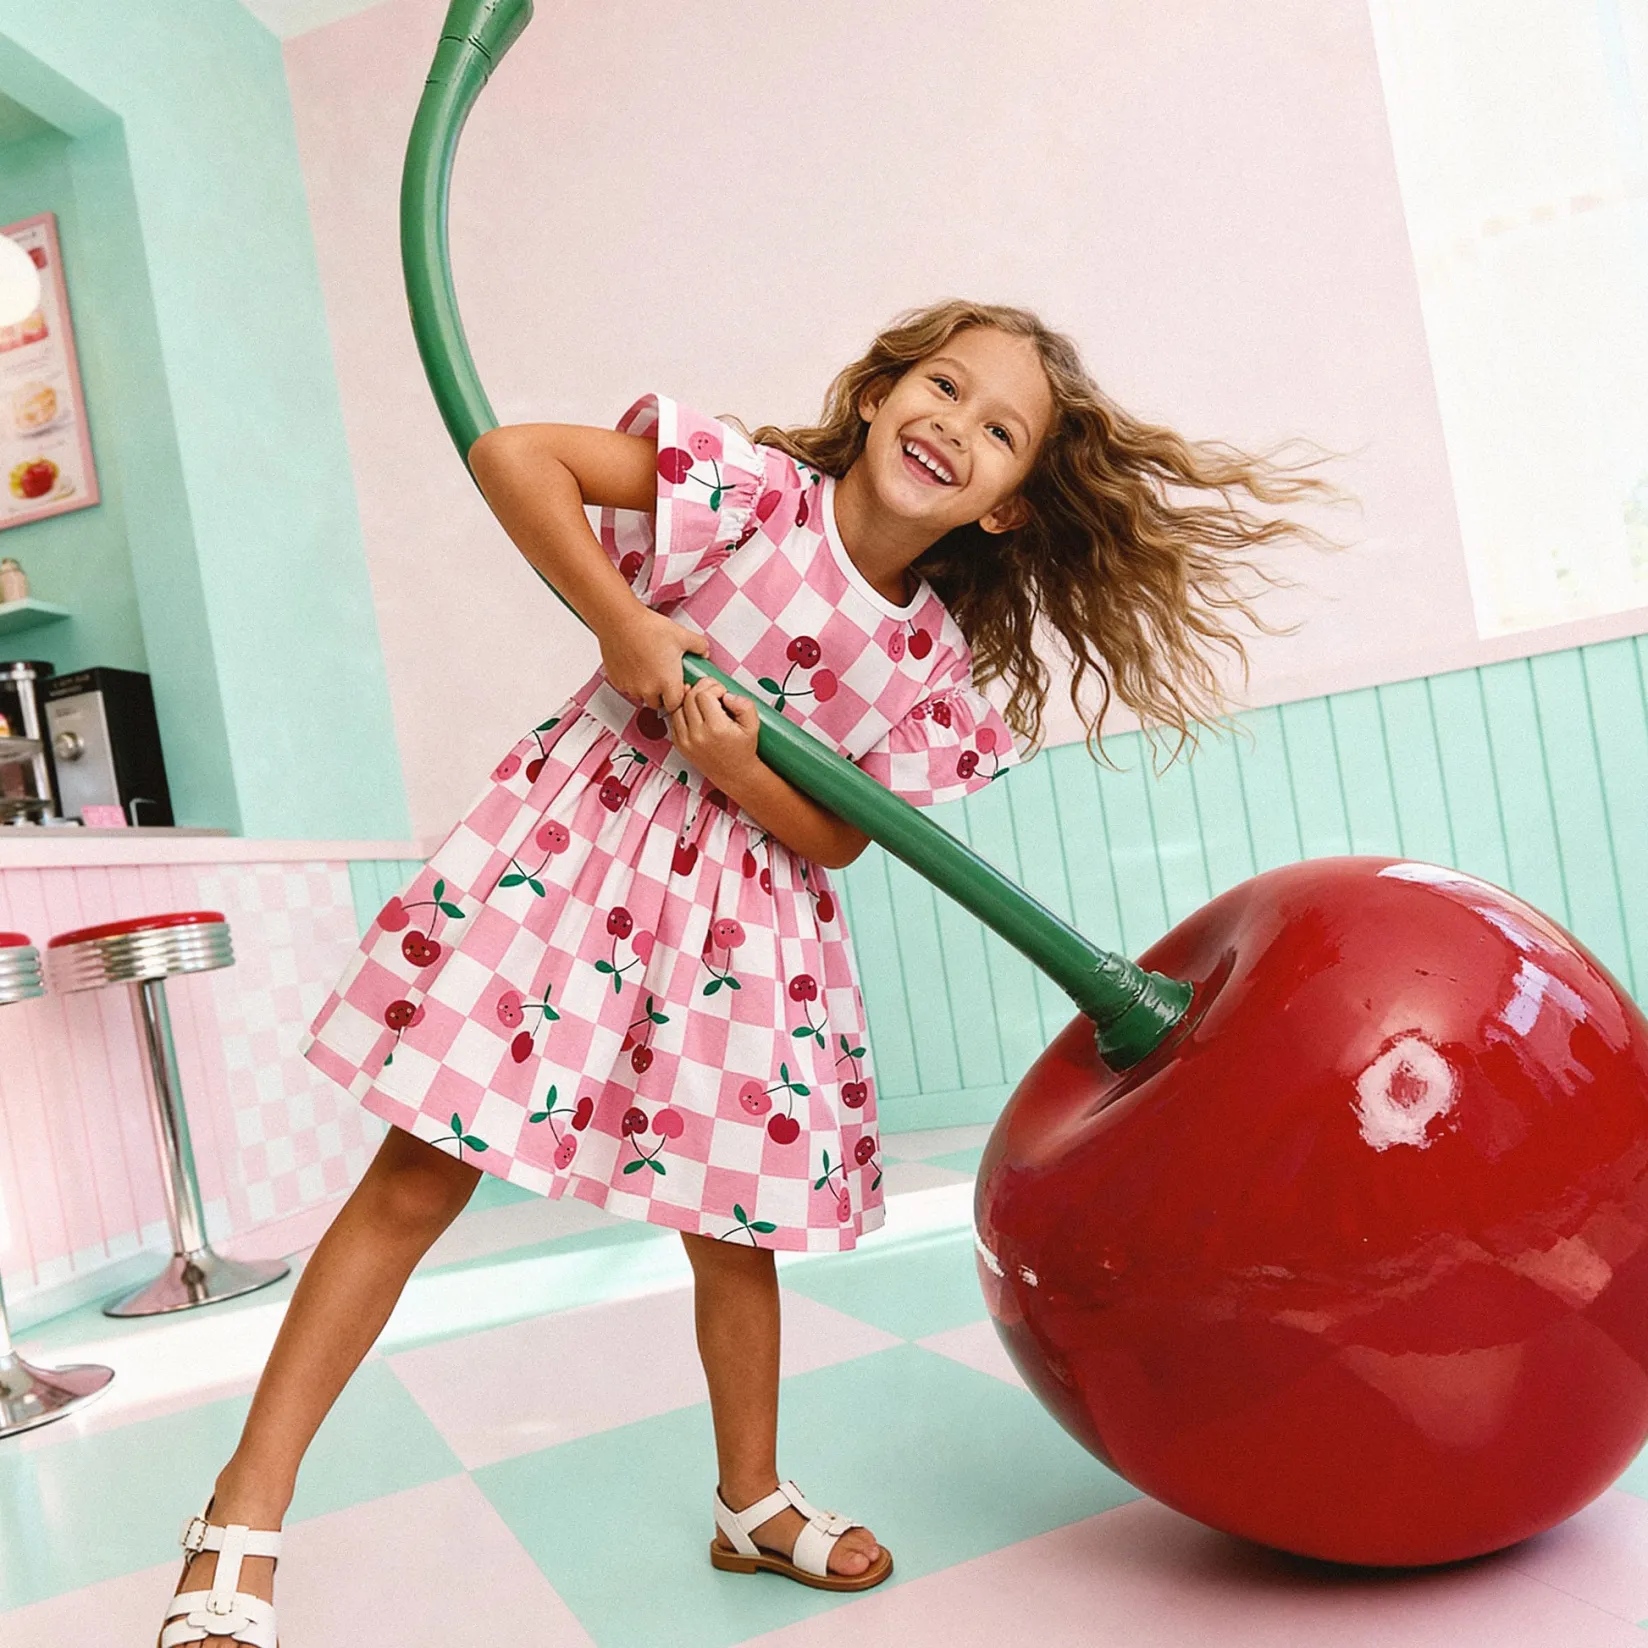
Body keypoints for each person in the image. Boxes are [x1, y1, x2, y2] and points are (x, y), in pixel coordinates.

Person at [158, 300, 1332, 1646]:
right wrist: (626, 628)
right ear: (882, 391)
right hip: (582, 860)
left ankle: (750, 1501)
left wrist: (737, 769)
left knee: (732, 1227)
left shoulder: (924, 658)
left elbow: (839, 834)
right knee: (418, 1177)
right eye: (944, 386)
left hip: (743, 925)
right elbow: (514, 457)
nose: (955, 425)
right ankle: (242, 1510)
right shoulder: (748, 497)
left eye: (1001, 431)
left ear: (1008, 505)